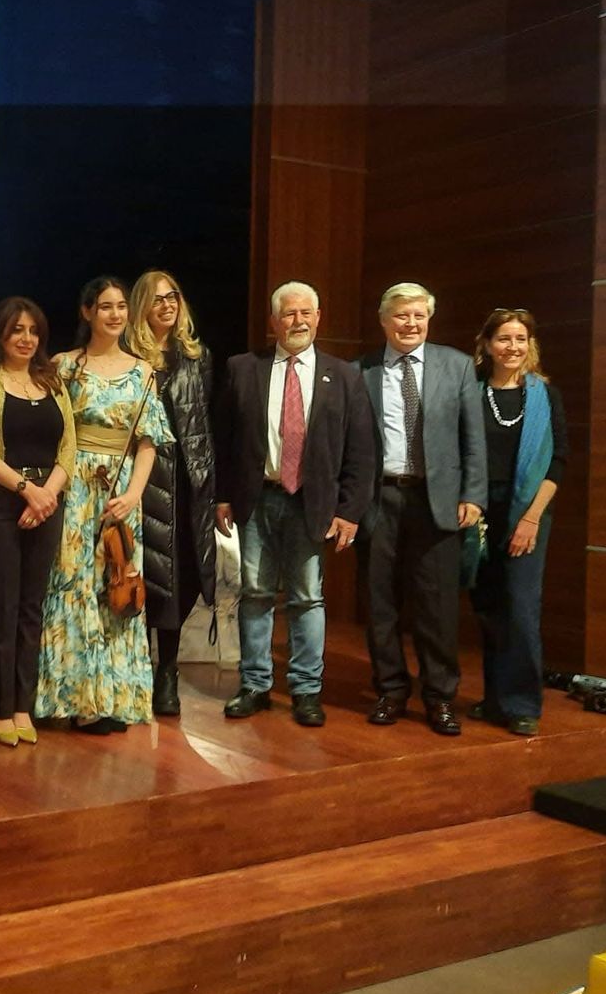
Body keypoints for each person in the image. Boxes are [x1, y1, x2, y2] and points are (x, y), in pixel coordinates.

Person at [212, 282, 376, 726]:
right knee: (255, 594)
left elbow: (361, 450)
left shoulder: (344, 376)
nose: (298, 321)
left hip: (312, 503)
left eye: (306, 313)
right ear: (273, 321)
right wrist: (222, 495)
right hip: (256, 500)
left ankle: (306, 691)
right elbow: (223, 439)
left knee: (307, 598)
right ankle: (255, 685)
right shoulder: (243, 368)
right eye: (289, 313)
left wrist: (349, 511)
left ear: (318, 318)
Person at [38, 278, 171, 733]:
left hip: (121, 490)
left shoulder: (143, 371)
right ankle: (78, 701)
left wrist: (134, 494)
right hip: (75, 485)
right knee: (73, 582)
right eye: (106, 307)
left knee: (117, 586)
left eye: (121, 307)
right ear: (87, 311)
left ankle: (114, 697)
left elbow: (149, 442)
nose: (115, 315)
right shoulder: (65, 366)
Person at [356, 282, 487, 735]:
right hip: (380, 500)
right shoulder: (361, 371)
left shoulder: (457, 366)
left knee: (437, 607)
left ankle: (440, 697)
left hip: (438, 502)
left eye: (419, 316)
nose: (411, 324)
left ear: (428, 319)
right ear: (384, 321)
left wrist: (473, 495)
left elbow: (473, 439)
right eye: (401, 316)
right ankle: (391, 691)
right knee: (381, 604)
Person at [0, 297, 76, 748]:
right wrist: (27, 489)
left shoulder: (52, 382)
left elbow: (69, 448)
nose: (26, 339)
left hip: (46, 502)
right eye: (17, 330)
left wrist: (48, 493)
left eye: (33, 331)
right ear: (0, 334)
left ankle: (23, 704)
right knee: (1, 606)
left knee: (32, 607)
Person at [468, 309, 568, 737]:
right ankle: (495, 700)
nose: (512, 347)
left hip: (527, 508)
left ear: (530, 345)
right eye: (504, 339)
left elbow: (558, 462)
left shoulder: (545, 396)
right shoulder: (470, 391)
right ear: (488, 345)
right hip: (477, 509)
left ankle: (523, 704)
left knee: (521, 608)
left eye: (520, 339)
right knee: (488, 607)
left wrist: (531, 517)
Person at [129, 270, 216, 717]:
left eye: (173, 297)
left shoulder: (197, 357)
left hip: (186, 482)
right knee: (139, 574)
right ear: (141, 307)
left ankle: (167, 671)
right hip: (139, 479)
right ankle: (134, 669)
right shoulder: (127, 357)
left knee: (180, 578)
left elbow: (206, 423)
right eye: (157, 299)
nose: (167, 305)